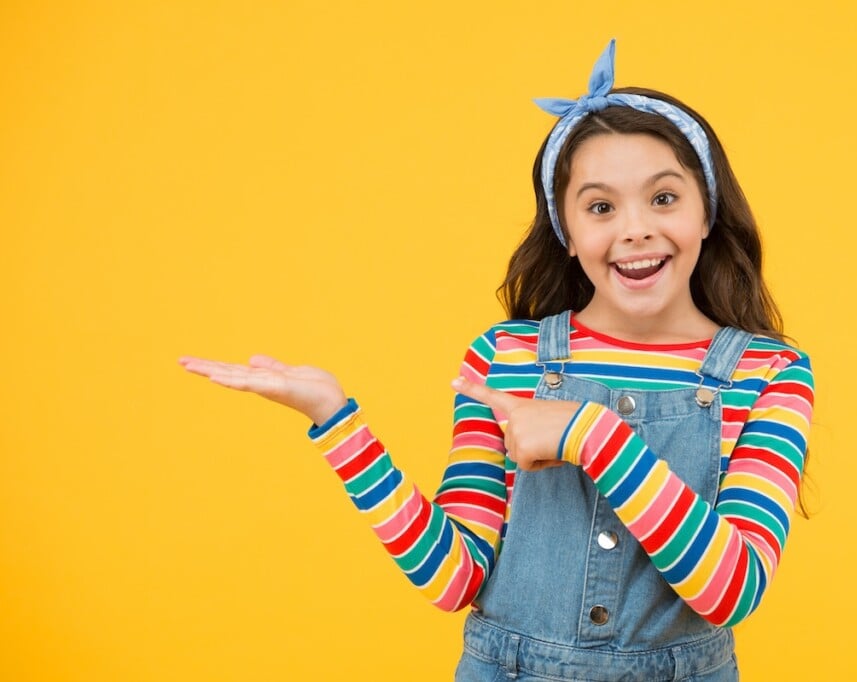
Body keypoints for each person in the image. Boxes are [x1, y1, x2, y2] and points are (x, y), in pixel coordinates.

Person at [180, 39, 814, 682]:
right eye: (600, 207)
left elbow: (733, 590)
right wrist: (336, 420)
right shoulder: (504, 358)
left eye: (664, 198)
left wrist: (588, 434)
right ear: (566, 233)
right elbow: (454, 577)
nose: (634, 229)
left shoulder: (768, 374)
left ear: (706, 209)